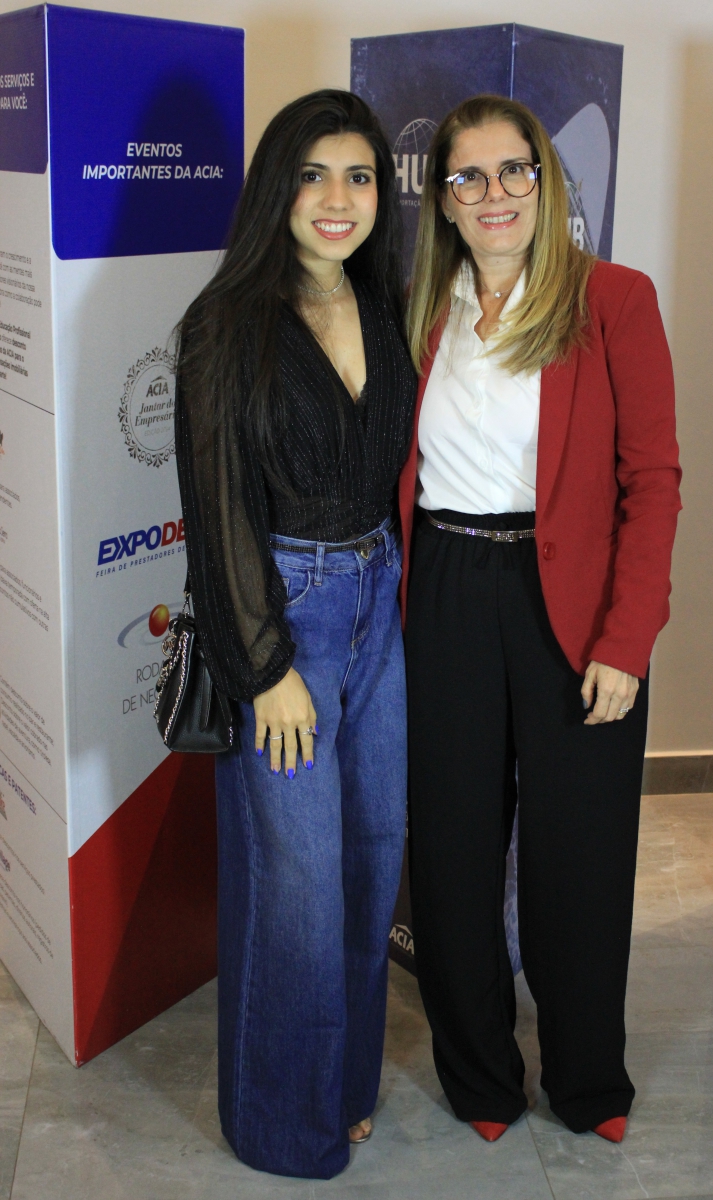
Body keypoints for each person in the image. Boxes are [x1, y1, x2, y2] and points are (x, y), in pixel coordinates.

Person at [400, 95, 681, 1145]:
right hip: (445, 589)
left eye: (513, 170)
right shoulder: (419, 310)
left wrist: (627, 638)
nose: (493, 193)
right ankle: (479, 1077)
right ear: (442, 201)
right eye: (467, 177)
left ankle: (586, 1079)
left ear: (545, 182)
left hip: (573, 603)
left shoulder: (613, 299)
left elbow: (652, 482)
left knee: (580, 855)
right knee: (453, 851)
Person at [174, 89, 416, 1180]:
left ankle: (343, 1085)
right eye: (313, 174)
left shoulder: (383, 302)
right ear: (278, 186)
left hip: (380, 607)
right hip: (287, 616)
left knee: (370, 859)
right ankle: (281, 1124)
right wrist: (265, 668)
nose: (337, 198)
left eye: (358, 176)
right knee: (298, 885)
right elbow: (216, 505)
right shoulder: (227, 323)